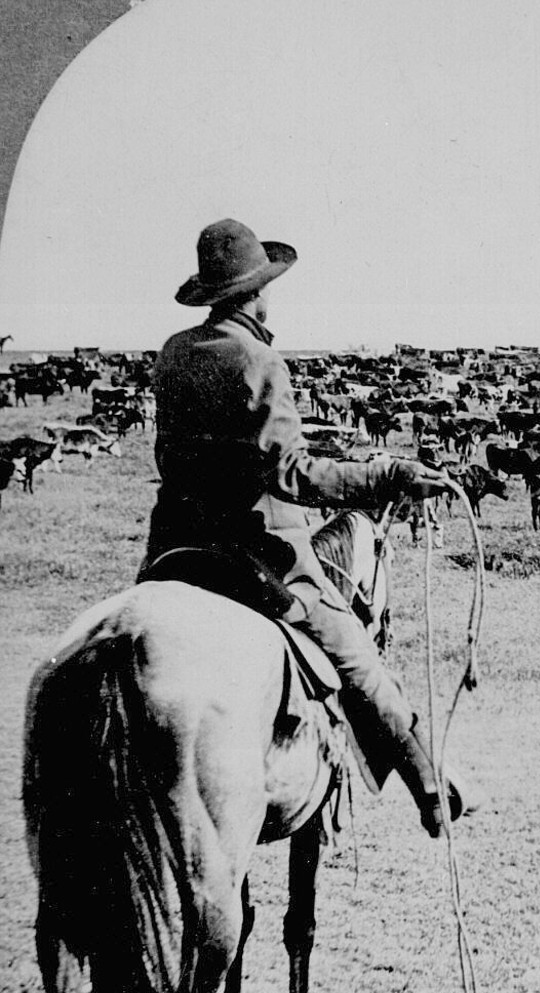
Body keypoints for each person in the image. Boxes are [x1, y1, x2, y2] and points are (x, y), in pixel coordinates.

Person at [140, 217, 484, 837]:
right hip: (255, 554)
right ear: (258, 292)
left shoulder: (171, 354)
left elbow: (168, 459)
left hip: (173, 550)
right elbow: (292, 476)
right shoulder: (260, 359)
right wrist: (389, 475)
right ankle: (430, 784)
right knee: (355, 654)